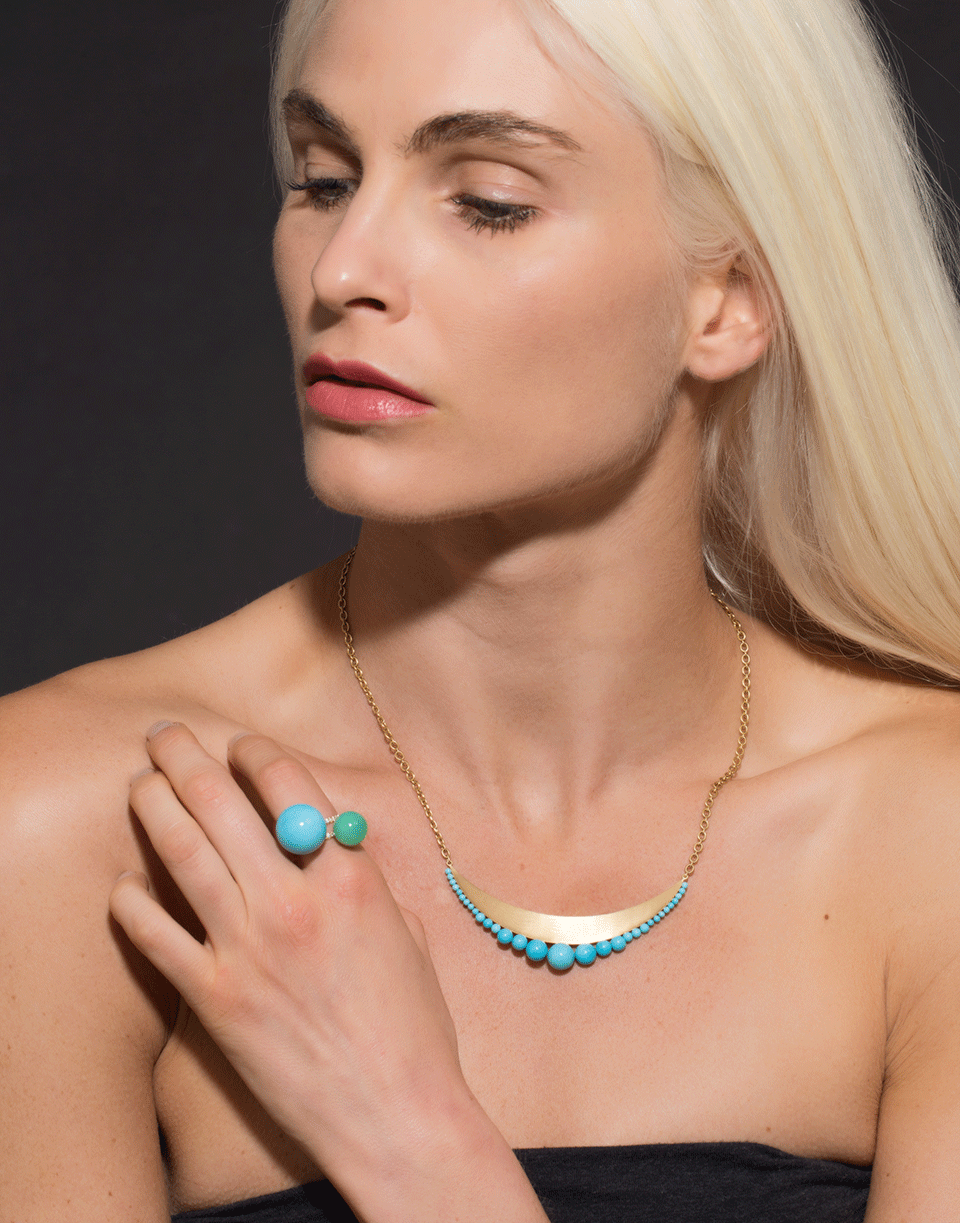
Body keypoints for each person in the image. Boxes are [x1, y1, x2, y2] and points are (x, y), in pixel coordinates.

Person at [2, 0, 959, 1219]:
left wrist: (413, 1137)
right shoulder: (70, 826)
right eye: (324, 179)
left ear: (728, 302)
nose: (344, 271)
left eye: (488, 201)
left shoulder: (931, 835)